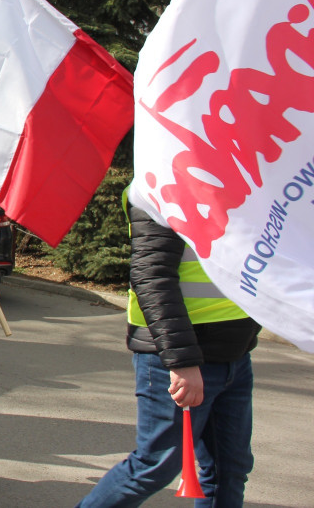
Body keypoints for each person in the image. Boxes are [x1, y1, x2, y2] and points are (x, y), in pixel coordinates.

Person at [76, 198, 260, 507]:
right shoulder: (158, 184)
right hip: (183, 356)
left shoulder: (234, 181)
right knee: (155, 466)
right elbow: (152, 276)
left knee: (230, 469)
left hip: (235, 352)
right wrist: (183, 362)